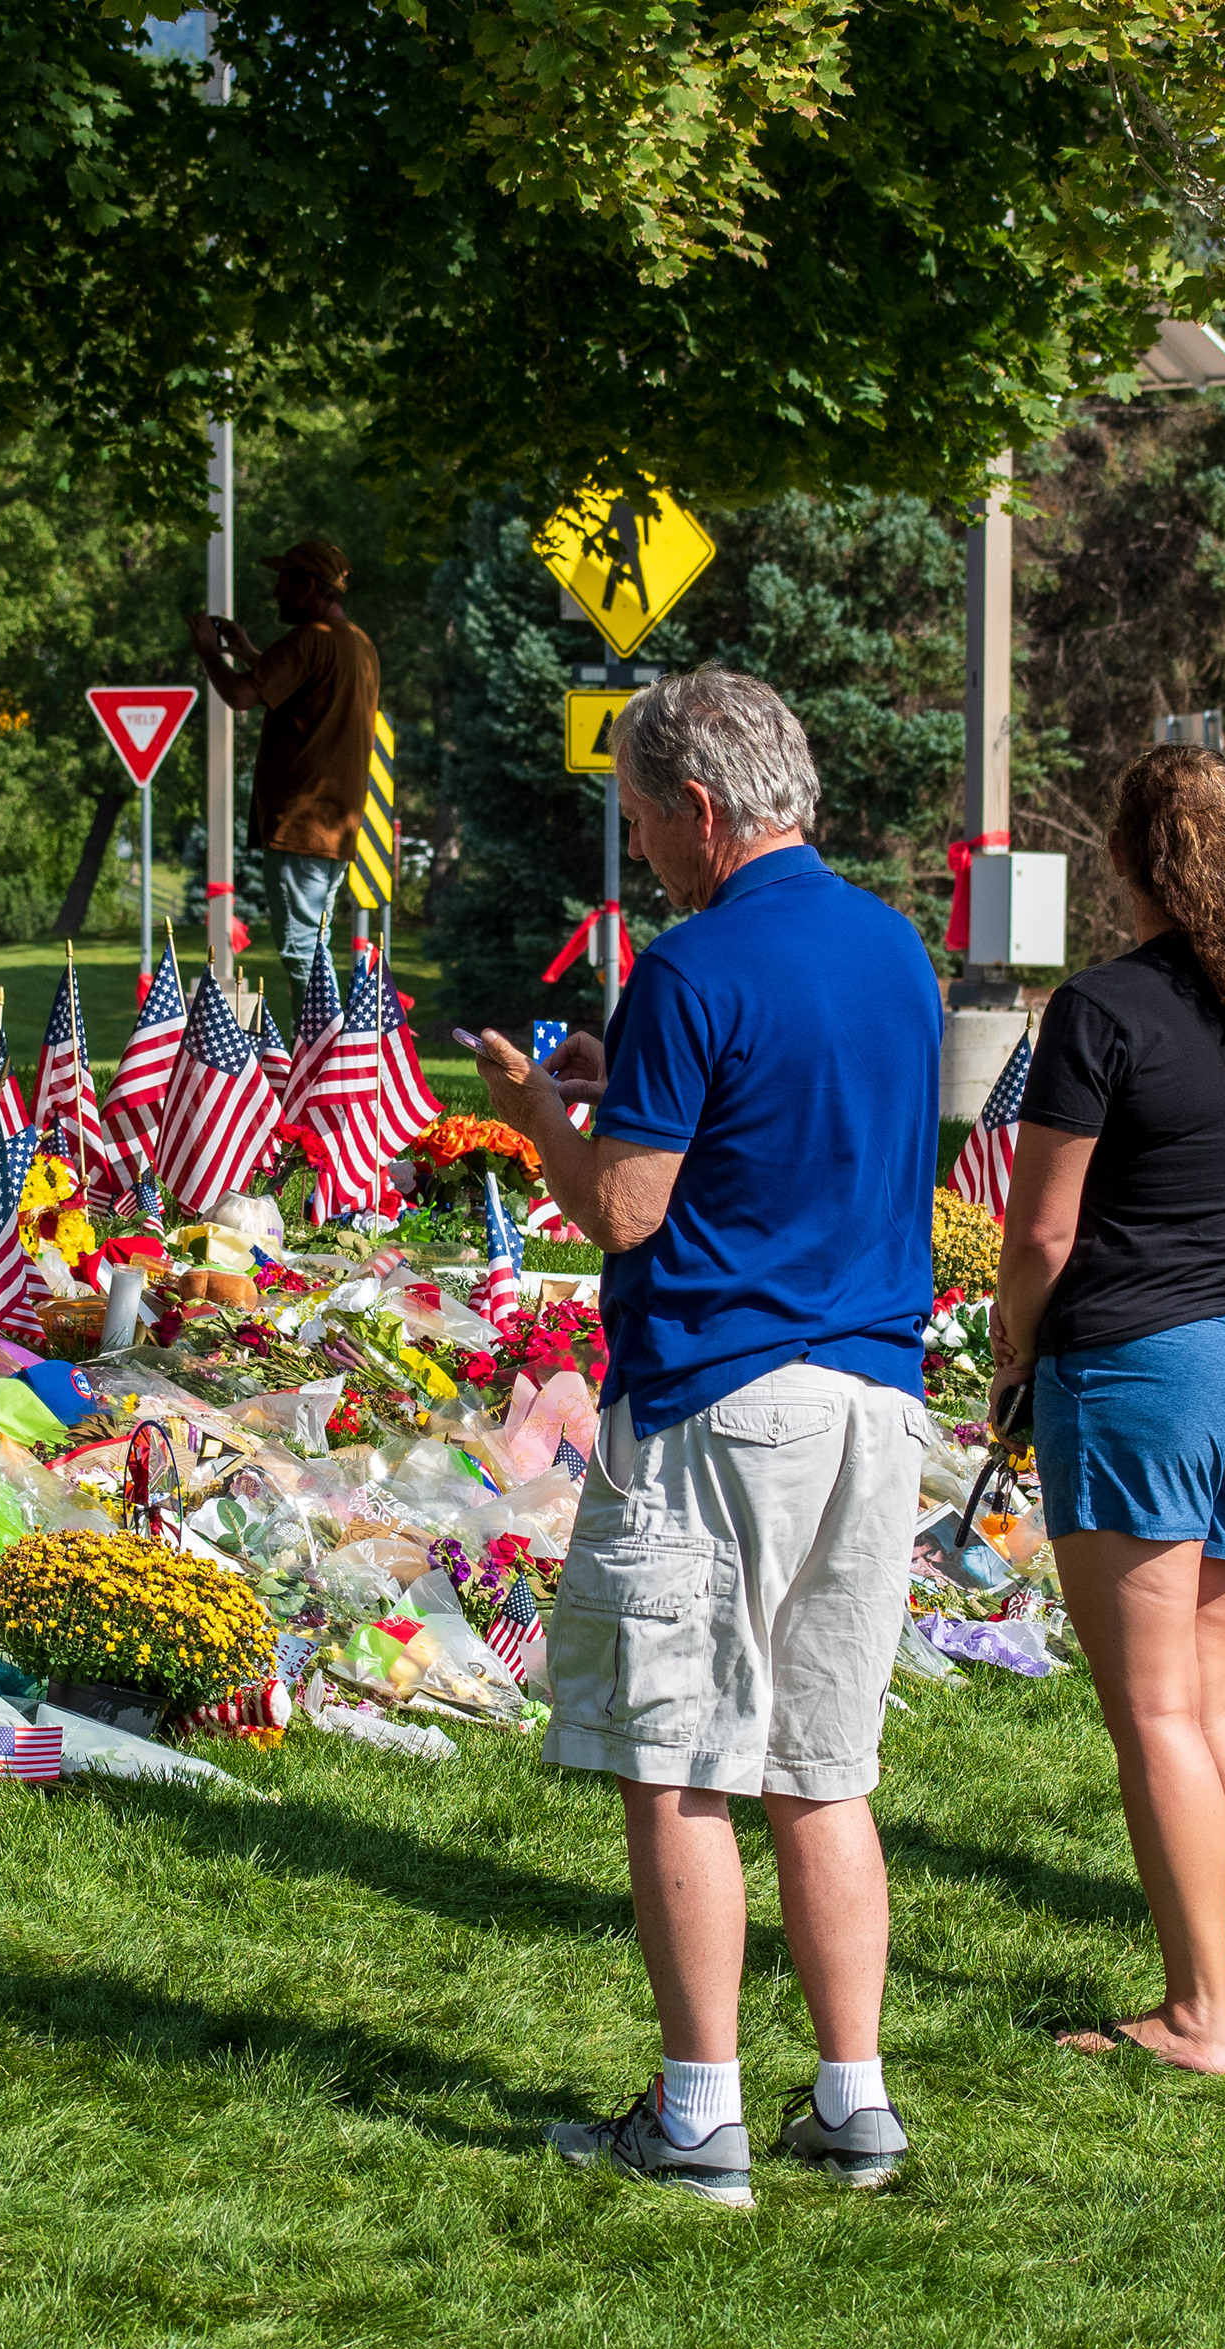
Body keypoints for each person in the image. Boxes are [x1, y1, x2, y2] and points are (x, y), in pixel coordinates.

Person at [473, 666, 944, 2206]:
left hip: (721, 1398)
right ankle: (855, 2102)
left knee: (678, 1760)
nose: (642, 855)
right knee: (824, 1764)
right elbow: (790, 1126)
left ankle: (697, 2116)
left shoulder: (691, 964)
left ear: (699, 809)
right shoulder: (895, 952)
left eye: (640, 823)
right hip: (876, 1396)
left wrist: (539, 1109)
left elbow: (623, 1206)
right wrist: (628, 1101)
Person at [989, 748, 1225, 2074]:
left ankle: (1194, 2014)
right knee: (1221, 1700)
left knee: (1158, 1718)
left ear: (1123, 859)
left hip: (1143, 1367)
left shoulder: (1100, 1009)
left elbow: (1042, 1228)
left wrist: (1010, 1351)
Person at [187, 538, 380, 980]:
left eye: (283, 583)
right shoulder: (358, 645)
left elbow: (240, 696)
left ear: (308, 586)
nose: (275, 593)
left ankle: (320, 1047)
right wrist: (246, 651)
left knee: (301, 954)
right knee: (314, 946)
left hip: (301, 826)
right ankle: (326, 1043)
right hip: (335, 825)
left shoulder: (305, 640)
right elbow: (292, 686)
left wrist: (207, 653)